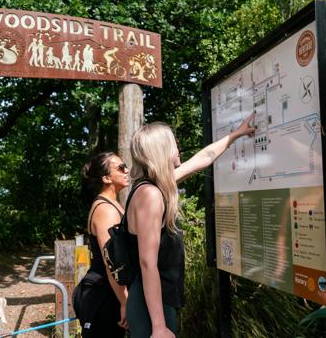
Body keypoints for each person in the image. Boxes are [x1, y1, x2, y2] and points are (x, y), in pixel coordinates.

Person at [125, 113, 256, 338]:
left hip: (156, 298)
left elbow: (203, 158)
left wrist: (237, 133)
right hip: (152, 306)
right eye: (173, 143)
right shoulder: (150, 195)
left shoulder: (156, 185)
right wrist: (158, 326)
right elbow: (147, 263)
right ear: (162, 150)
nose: (178, 147)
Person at [73, 152, 131, 337]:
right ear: (106, 178)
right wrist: (125, 301)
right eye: (121, 168)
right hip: (102, 295)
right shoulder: (105, 210)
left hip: (108, 292)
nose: (127, 170)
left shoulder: (113, 204)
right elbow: (111, 261)